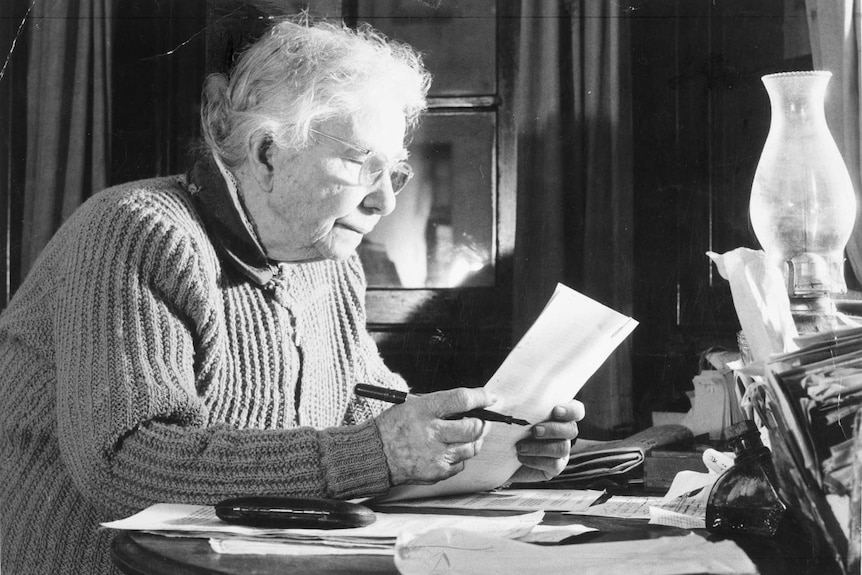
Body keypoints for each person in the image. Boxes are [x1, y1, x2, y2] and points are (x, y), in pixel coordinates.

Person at [0, 17, 584, 574]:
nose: (386, 202)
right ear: (267, 153)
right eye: (363, 164)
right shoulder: (135, 229)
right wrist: (379, 451)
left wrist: (493, 450)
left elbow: (370, 416)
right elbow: (124, 464)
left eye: (396, 173)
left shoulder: (329, 264)